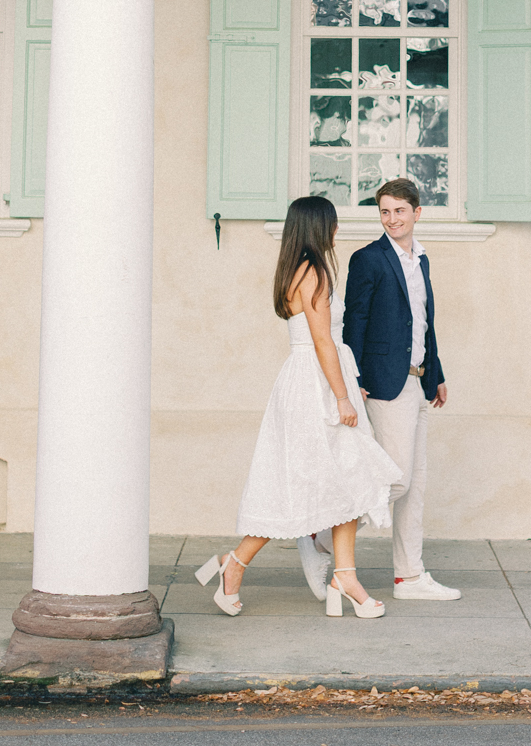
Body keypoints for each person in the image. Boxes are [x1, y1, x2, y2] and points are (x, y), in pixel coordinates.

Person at [196, 195, 401, 620]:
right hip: (317, 384)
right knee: (315, 483)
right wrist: (342, 395)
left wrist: (348, 385)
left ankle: (343, 575)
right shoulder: (316, 272)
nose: (336, 229)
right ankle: (235, 565)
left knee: (343, 480)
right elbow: (324, 339)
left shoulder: (295, 268)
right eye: (332, 222)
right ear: (317, 227)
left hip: (310, 378)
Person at [342, 177, 461, 601]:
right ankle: (325, 531)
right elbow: (352, 323)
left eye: (399, 211)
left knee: (418, 482)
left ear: (417, 213)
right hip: (384, 384)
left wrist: (437, 373)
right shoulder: (368, 259)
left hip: (418, 379)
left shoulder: (421, 260)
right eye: (385, 211)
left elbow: (424, 322)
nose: (392, 218)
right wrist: (354, 381)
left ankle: (409, 577)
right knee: (398, 479)